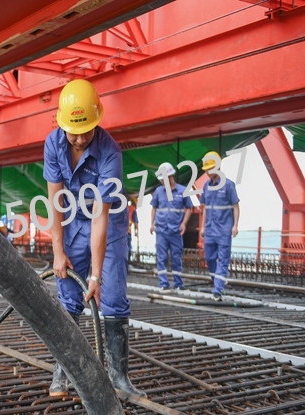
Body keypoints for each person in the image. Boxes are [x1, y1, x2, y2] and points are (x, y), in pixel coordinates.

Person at [43, 78, 145, 397]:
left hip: (109, 225)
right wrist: (58, 251)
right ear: (61, 124)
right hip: (72, 222)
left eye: (87, 129)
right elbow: (55, 202)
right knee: (69, 297)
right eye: (74, 131)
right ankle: (63, 373)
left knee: (113, 296)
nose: (80, 137)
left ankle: (118, 376)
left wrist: (96, 275)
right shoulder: (53, 144)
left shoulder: (109, 150)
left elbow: (101, 214)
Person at [199, 151, 240, 301]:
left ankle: (218, 289)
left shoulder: (228, 185)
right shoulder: (206, 186)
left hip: (224, 230)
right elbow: (205, 209)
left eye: (210, 169)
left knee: (223, 260)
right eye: (206, 169)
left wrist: (235, 225)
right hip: (210, 229)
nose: (207, 172)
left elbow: (235, 206)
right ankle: (217, 280)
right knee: (210, 258)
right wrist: (203, 227)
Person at [149, 162, 194, 292]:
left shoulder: (182, 191)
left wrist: (183, 224)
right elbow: (154, 208)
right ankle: (163, 283)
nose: (163, 182)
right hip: (161, 230)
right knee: (161, 258)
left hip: (175, 231)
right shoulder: (158, 191)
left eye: (164, 179)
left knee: (176, 257)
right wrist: (152, 224)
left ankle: (178, 284)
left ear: (170, 177)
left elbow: (189, 208)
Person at [127, 197, 139, 261]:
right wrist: (136, 232)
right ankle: (128, 261)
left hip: (121, 231)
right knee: (128, 247)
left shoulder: (126, 207)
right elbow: (136, 222)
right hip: (128, 232)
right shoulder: (133, 209)